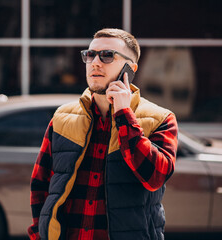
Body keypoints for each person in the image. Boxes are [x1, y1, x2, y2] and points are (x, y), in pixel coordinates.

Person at [27, 28, 178, 240]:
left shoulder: (161, 119)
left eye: (107, 55)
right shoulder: (62, 117)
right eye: (90, 55)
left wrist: (124, 115)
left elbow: (155, 177)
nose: (95, 62)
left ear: (130, 68)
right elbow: (41, 184)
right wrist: (38, 235)